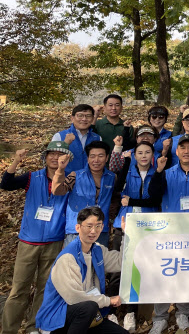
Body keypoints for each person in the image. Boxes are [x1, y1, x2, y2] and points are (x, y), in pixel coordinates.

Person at [1, 143, 71, 334]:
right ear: (45, 157)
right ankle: (9, 329)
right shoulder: (33, 177)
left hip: (54, 241)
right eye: (52, 154)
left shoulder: (70, 179)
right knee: (19, 289)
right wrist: (16, 160)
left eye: (60, 155)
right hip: (28, 241)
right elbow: (6, 184)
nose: (55, 158)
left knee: (44, 288)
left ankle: (35, 327)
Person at [35, 206, 126, 334]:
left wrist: (126, 235)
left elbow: (121, 262)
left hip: (87, 317)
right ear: (78, 228)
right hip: (57, 320)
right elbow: (75, 298)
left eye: (98, 226)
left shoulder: (97, 249)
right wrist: (108, 300)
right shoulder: (68, 257)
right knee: (88, 307)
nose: (93, 231)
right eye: (89, 226)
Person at [147, 135, 189, 333]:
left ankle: (182, 313)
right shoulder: (167, 172)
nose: (186, 151)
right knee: (165, 273)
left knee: (188, 273)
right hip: (169, 233)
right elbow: (153, 194)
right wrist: (158, 171)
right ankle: (160, 317)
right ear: (176, 151)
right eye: (182, 148)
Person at [109, 142, 162, 333]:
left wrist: (132, 200)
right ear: (135, 155)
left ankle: (131, 311)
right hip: (123, 225)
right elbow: (116, 188)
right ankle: (112, 312)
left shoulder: (158, 172)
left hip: (148, 227)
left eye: (147, 152)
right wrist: (126, 162)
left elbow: (155, 199)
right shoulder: (128, 171)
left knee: (137, 269)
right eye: (140, 152)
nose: (144, 156)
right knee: (117, 267)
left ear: (153, 155)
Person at [53, 141, 116, 248]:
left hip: (100, 230)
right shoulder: (75, 175)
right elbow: (57, 191)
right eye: (92, 156)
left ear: (106, 158)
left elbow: (114, 200)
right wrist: (60, 170)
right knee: (73, 263)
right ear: (87, 158)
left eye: (100, 156)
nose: (96, 160)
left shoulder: (112, 177)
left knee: (97, 263)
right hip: (77, 230)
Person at [51, 104, 102, 174]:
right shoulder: (59, 136)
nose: (84, 119)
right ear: (72, 118)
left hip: (90, 181)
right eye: (80, 115)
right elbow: (52, 160)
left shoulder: (97, 138)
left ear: (93, 118)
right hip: (66, 180)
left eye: (88, 116)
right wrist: (65, 144)